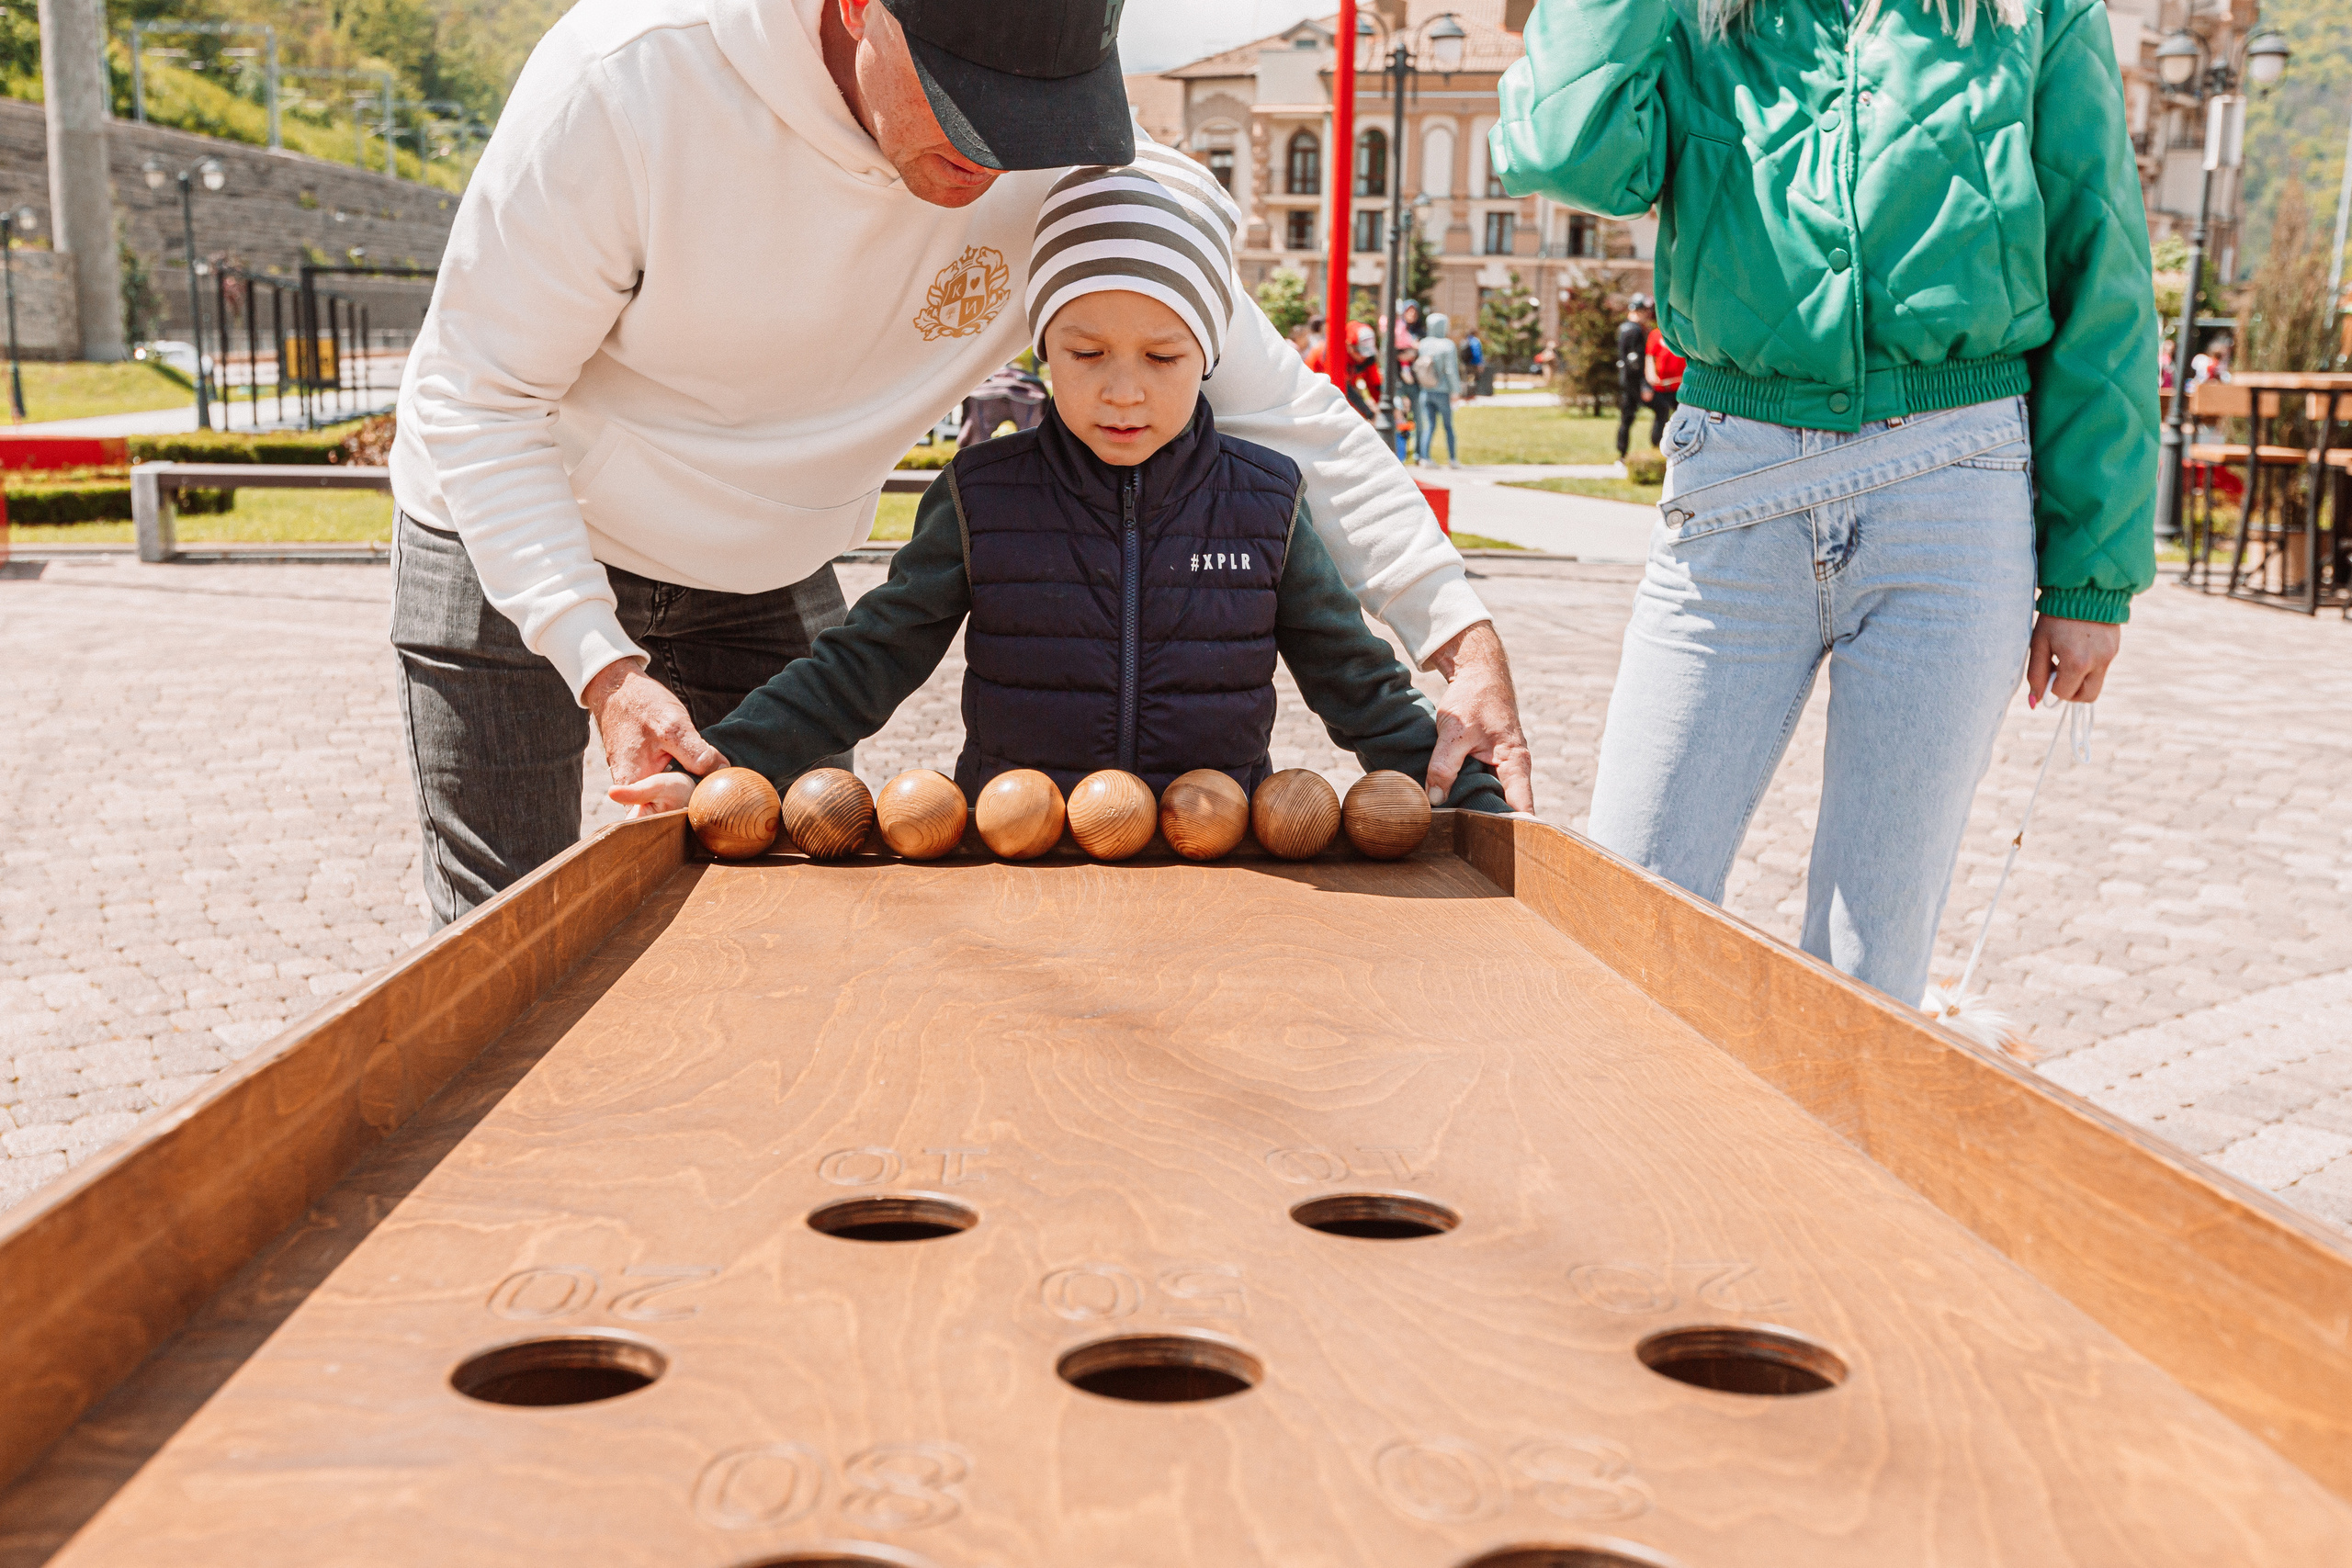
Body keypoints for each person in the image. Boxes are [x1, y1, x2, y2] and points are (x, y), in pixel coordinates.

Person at [389, 0, 1533, 926]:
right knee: (502, 944)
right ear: (857, 10)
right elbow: (480, 397)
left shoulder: (1063, 158)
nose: (999, 151)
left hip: (765, 568)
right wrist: (599, 663)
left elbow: (1282, 411)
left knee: (776, 924)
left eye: (1040, 109)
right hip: (514, 540)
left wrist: (1456, 631)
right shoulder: (626, 78)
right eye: (964, 98)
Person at [1493, 0, 2156, 1006]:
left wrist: (2090, 577)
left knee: (1868, 963)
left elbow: (2101, 268)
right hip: (1733, 483)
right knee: (1626, 905)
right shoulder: (1693, 15)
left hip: (1954, 494)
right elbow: (1561, 151)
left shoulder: (2035, 12)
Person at [613, 165, 1509, 817]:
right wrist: (717, 764)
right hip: (1014, 854)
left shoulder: (1266, 502)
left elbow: (1357, 683)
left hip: (1215, 860)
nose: (1123, 391)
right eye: (1086, 353)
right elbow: (862, 664)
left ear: (1209, 354)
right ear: (1042, 347)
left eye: (1162, 357)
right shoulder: (981, 497)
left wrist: (1475, 797)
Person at [1306, 318, 1384, 423]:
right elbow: (1343, 389)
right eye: (1358, 351)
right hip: (1317, 394)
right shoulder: (1331, 354)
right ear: (1348, 345)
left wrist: (1383, 408)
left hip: (1341, 391)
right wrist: (1368, 413)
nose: (1363, 357)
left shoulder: (1366, 357)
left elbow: (1375, 383)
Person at [956, 360, 1046, 448]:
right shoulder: (1035, 394)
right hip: (1028, 454)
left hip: (981, 453)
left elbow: (963, 439)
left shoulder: (977, 398)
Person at [1413, 312, 1462, 468]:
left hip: (1425, 390)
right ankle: (1452, 459)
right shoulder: (1448, 345)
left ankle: (1425, 458)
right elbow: (1451, 370)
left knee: (1429, 426)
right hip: (1442, 391)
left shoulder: (1424, 344)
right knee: (1448, 426)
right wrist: (1456, 390)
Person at [1613, 295, 1654, 469]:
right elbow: (1635, 360)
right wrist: (1645, 384)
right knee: (1661, 409)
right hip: (1634, 382)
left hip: (1627, 380)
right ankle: (1656, 450)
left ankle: (1622, 455)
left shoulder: (1624, 328)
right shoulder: (1634, 330)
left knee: (1626, 418)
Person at [1642, 321, 1684, 450]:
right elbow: (1649, 357)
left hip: (1680, 387)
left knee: (1682, 417)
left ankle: (1681, 444)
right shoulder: (1656, 335)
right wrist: (1650, 375)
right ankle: (1657, 445)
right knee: (1661, 415)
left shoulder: (1683, 333)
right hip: (1661, 387)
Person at [1460, 326, 1487, 400]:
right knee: (1472, 379)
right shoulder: (1475, 341)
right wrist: (1479, 363)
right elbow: (1477, 354)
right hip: (1473, 363)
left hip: (1464, 363)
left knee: (1464, 379)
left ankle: (1464, 395)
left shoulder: (1464, 341)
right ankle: (1471, 395)